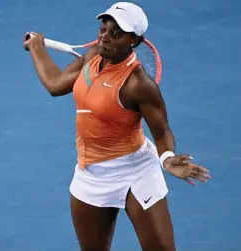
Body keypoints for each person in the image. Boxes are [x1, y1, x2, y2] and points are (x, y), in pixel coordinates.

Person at [23, 2, 211, 251]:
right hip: (90, 173)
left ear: (133, 41)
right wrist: (37, 48)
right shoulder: (93, 56)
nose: (105, 38)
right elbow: (56, 85)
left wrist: (166, 158)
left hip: (136, 171)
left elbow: (162, 130)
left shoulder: (138, 84)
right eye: (103, 29)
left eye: (116, 34)